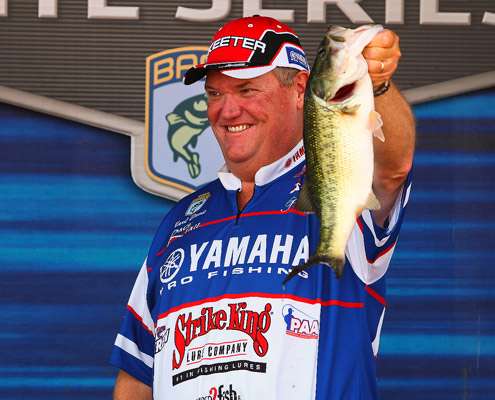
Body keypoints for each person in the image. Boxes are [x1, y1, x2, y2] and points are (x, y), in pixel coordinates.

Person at [111, 15, 415, 400]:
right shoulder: (179, 221)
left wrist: (378, 84)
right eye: (215, 94)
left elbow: (392, 170)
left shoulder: (337, 182)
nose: (227, 111)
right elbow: (137, 375)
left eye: (246, 89)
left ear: (300, 89)